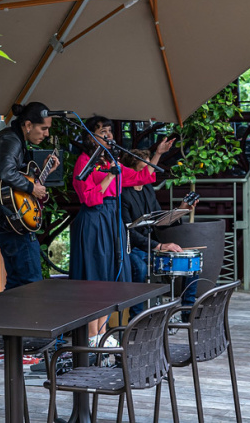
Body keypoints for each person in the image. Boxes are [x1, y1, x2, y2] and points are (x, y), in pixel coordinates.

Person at [70, 116, 173, 342]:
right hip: (95, 220)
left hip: (111, 220)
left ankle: (102, 334)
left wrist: (158, 153)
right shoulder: (84, 161)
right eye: (103, 131)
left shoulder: (110, 162)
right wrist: (109, 177)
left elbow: (140, 176)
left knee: (109, 276)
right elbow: (89, 198)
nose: (109, 135)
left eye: (110, 131)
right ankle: (90, 336)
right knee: (94, 278)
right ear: (90, 136)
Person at [0, 102, 60, 290]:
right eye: (43, 128)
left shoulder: (15, 139)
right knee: (31, 284)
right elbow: (6, 172)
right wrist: (32, 188)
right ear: (28, 125)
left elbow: (15, 177)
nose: (46, 134)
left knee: (15, 284)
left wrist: (45, 171)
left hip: (8, 216)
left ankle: (9, 318)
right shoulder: (10, 140)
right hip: (10, 218)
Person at [120, 149, 198, 318]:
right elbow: (129, 232)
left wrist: (182, 210)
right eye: (144, 169)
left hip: (151, 245)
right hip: (131, 248)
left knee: (191, 261)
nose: (149, 172)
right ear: (132, 170)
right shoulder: (123, 193)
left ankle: (187, 311)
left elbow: (159, 220)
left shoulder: (147, 188)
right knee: (140, 268)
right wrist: (160, 246)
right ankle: (137, 318)